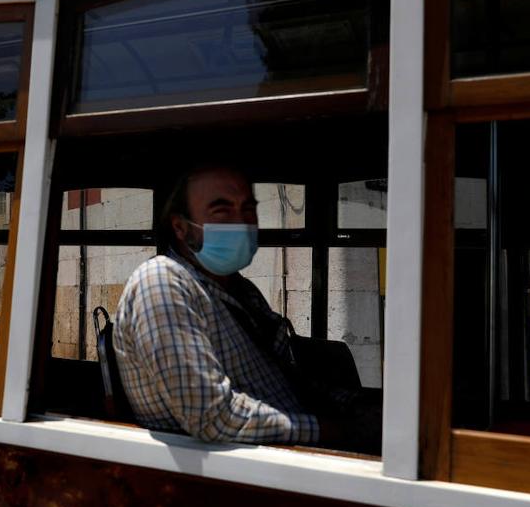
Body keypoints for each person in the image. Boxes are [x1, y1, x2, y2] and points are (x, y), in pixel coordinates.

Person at [112, 163, 378, 449]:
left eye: (248, 209)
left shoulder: (240, 289)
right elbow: (212, 416)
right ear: (180, 227)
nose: (241, 222)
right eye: (222, 210)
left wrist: (357, 406)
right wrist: (334, 433)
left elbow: (285, 378)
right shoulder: (163, 281)